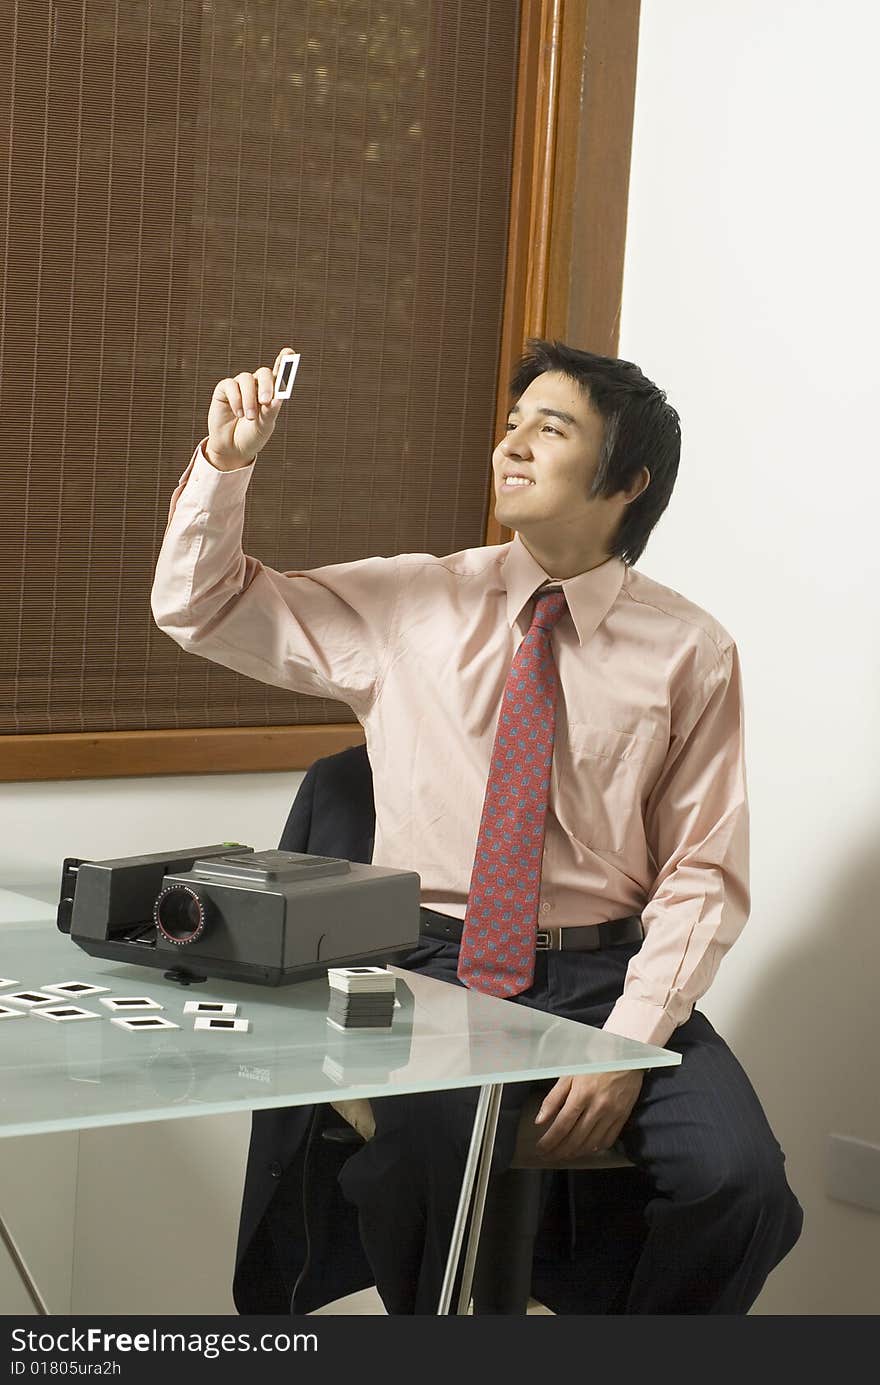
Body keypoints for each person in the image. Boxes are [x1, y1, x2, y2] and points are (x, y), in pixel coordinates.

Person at [151, 339, 803, 1313]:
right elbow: (199, 605)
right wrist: (226, 464)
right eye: (513, 422)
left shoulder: (689, 650)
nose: (513, 444)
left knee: (737, 1182)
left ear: (628, 479)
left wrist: (628, 1041)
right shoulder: (411, 601)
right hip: (427, 967)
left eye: (552, 427)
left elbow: (702, 869)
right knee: (441, 1172)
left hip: (606, 973)